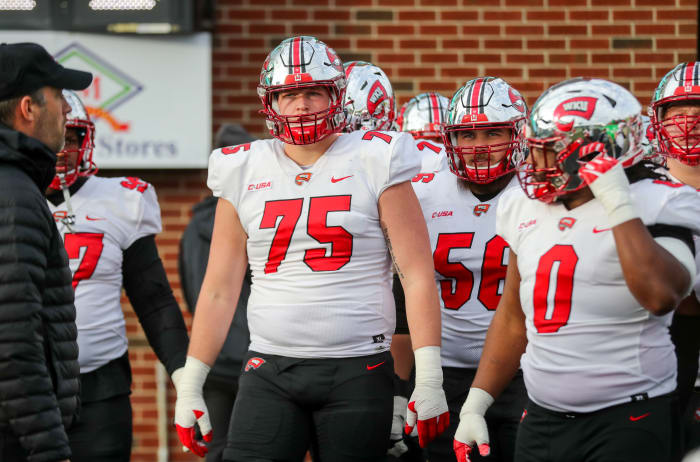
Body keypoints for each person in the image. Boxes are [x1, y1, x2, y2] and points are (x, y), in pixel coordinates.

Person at [174, 35, 449, 461]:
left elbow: (415, 274)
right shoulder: (242, 167)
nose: (300, 105)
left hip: (359, 368)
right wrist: (192, 380)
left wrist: (427, 377)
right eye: (288, 94)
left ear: (335, 96)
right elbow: (219, 288)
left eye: (312, 91)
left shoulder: (378, 156)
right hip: (269, 368)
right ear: (271, 102)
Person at [453, 78, 700, 462]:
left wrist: (617, 200)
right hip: (541, 419)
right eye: (537, 150)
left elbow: (661, 296)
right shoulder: (523, 206)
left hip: (629, 415)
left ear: (598, 150)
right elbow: (514, 316)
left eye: (553, 151)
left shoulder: (660, 200)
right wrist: (476, 401)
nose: (539, 164)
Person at [45, 90, 189, 461]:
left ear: (85, 140)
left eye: (71, 137)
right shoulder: (11, 194)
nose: (62, 148)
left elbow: (153, 299)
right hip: (22, 386)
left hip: (100, 386)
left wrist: (183, 373)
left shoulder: (121, 200)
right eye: (55, 135)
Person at [409, 77, 529, 462]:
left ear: (518, 134)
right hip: (444, 371)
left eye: (493, 133)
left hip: (525, 371)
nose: (479, 147)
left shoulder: (539, 192)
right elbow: (398, 288)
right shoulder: (424, 191)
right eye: (467, 136)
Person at [0, 42, 92, 462]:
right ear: (28, 108)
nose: (66, 111)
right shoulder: (13, 194)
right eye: (57, 98)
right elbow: (13, 342)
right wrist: (50, 449)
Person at [178, 123, 255, 462]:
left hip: (212, 357)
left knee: (219, 449)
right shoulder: (255, 221)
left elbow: (191, 288)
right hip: (258, 359)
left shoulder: (193, 227)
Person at [649, 62, 700, 456]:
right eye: (679, 112)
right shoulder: (641, 188)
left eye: (699, 113)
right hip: (655, 361)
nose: (689, 123)